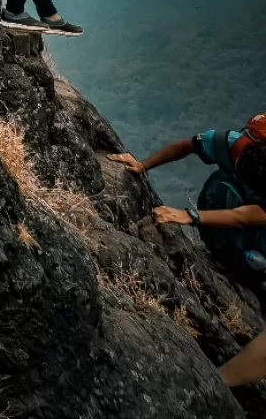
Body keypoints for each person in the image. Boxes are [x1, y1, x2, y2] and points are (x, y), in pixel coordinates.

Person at [108, 116, 266, 298]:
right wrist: (143, 165)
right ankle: (234, 257)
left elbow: (247, 216)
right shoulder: (231, 145)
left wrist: (190, 216)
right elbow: (187, 146)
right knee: (221, 188)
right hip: (237, 210)